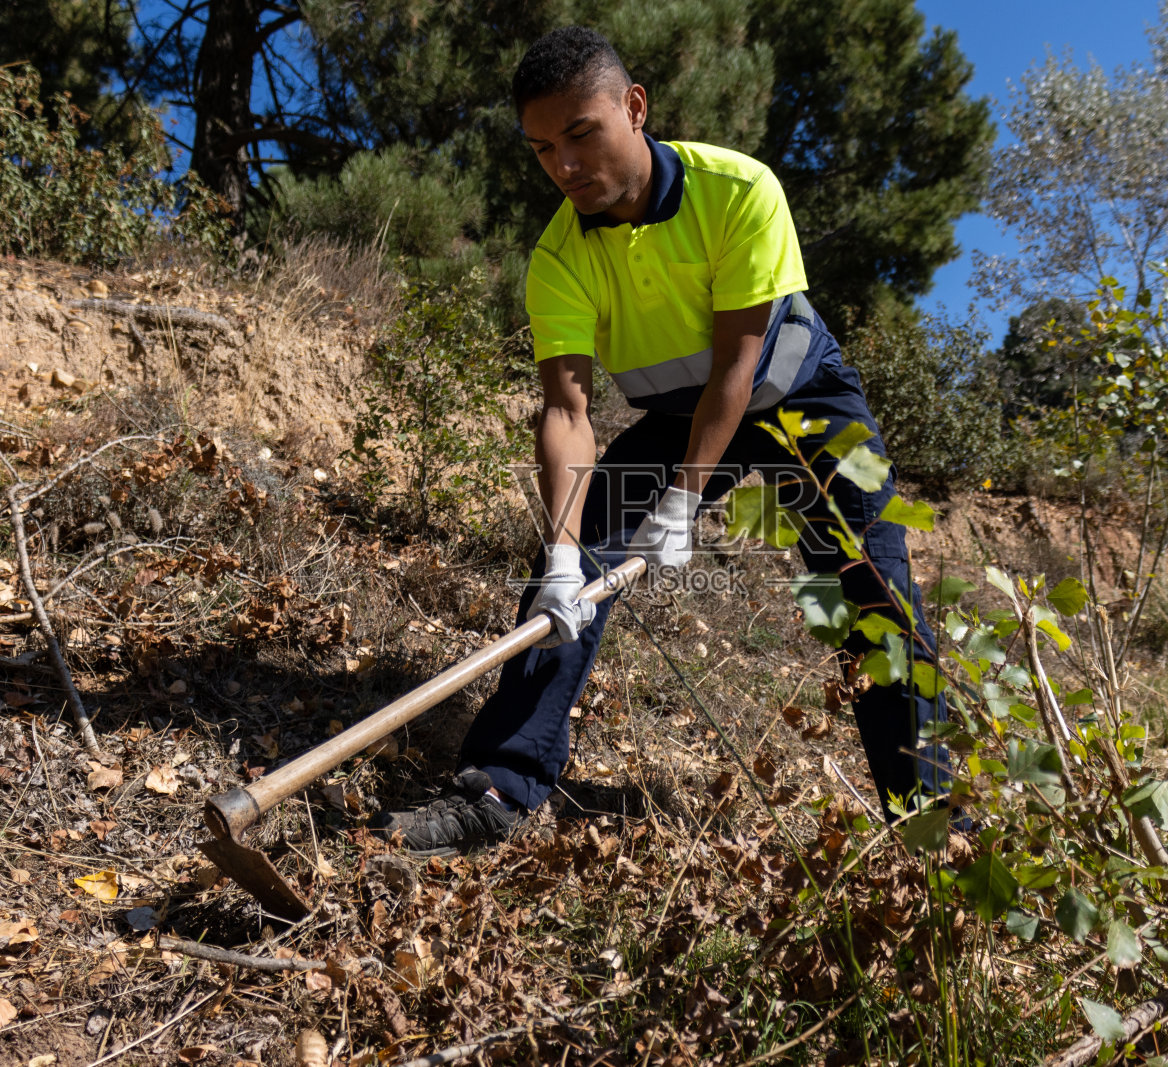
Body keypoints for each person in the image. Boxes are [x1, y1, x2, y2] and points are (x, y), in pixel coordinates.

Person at [379, 26, 946, 855]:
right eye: (542, 149)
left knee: (872, 590)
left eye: (582, 134)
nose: (565, 166)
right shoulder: (558, 257)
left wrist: (683, 501)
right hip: (681, 414)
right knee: (577, 555)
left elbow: (737, 373)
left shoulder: (739, 189)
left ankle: (937, 828)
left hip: (801, 403)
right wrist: (567, 555)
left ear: (634, 107)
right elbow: (567, 412)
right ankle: (501, 782)